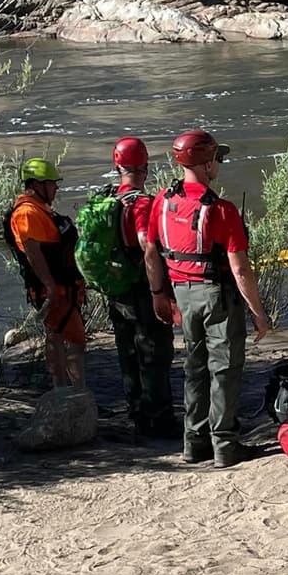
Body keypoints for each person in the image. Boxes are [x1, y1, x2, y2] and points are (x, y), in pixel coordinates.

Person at [145, 129, 270, 468]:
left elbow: (151, 253)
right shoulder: (221, 210)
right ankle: (224, 445)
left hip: (183, 296)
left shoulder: (162, 202)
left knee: (194, 367)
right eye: (217, 158)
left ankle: (193, 442)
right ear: (206, 163)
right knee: (225, 369)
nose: (220, 164)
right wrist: (258, 313)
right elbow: (240, 269)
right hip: (217, 296)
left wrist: (159, 294)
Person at [107, 137, 177, 438]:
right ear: (145, 168)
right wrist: (159, 292)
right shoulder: (141, 203)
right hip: (140, 288)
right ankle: (158, 419)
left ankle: (136, 411)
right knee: (154, 353)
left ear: (118, 166)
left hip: (117, 288)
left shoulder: (108, 200)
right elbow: (145, 246)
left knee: (127, 353)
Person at [4, 158, 86, 388]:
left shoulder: (39, 210)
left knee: (58, 336)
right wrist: (49, 286)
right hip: (54, 288)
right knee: (75, 340)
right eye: (52, 183)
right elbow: (33, 251)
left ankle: (63, 390)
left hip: (60, 287)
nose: (56, 188)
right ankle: (76, 393)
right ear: (39, 185)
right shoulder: (27, 213)